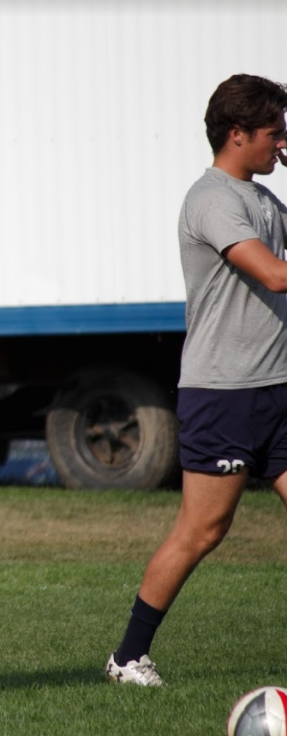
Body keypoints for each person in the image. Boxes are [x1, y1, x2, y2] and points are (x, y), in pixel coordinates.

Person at [106, 74, 287, 686]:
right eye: (273, 132)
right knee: (202, 530)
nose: (282, 143)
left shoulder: (264, 200)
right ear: (237, 135)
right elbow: (273, 275)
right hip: (224, 394)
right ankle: (128, 655)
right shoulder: (213, 199)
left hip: (278, 389)